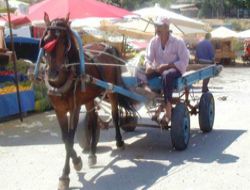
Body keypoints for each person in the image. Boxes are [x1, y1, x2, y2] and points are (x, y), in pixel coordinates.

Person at [144, 16, 189, 124]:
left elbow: (184, 62)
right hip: (159, 69)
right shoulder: (154, 41)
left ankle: (168, 111)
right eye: (156, 26)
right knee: (140, 74)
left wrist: (166, 66)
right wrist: (148, 66)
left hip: (175, 69)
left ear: (167, 28)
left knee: (166, 75)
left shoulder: (178, 41)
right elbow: (148, 58)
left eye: (159, 26)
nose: (157, 29)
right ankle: (153, 97)